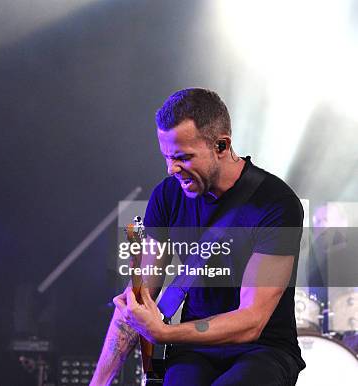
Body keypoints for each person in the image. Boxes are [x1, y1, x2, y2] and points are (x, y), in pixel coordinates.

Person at [91, 88, 305, 385]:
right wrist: (98, 382)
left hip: (264, 350)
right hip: (196, 350)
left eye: (183, 157)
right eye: (167, 157)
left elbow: (251, 322)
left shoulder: (276, 203)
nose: (171, 169)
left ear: (221, 145)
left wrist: (164, 333)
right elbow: (138, 298)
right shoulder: (167, 196)